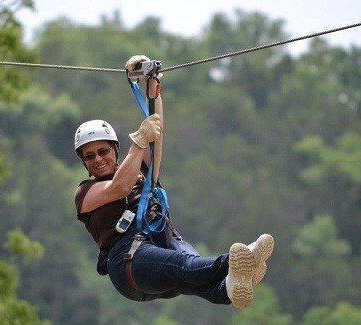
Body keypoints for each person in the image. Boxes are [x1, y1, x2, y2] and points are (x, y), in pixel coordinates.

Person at [73, 55, 274, 308]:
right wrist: (138, 142)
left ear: (115, 150)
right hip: (130, 262)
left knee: (194, 272)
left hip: (162, 243)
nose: (98, 159)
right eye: (90, 156)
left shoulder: (140, 171)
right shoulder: (85, 192)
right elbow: (119, 187)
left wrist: (153, 85)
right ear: (84, 163)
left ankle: (232, 286)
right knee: (186, 266)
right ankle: (238, 261)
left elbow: (156, 132)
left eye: (103, 151)